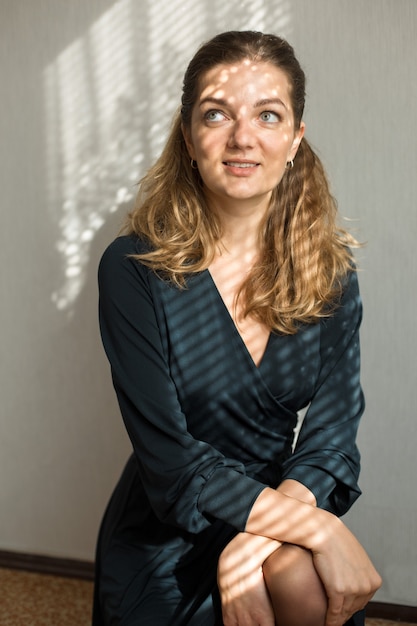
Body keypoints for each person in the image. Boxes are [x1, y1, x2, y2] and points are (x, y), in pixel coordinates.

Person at [92, 30, 381, 626]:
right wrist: (321, 532)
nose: (242, 137)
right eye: (216, 113)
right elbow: (171, 465)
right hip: (167, 527)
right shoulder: (132, 269)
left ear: (295, 138)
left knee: (299, 575)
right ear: (188, 136)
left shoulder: (331, 274)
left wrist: (259, 541)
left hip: (280, 508)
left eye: (267, 115)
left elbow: (331, 442)